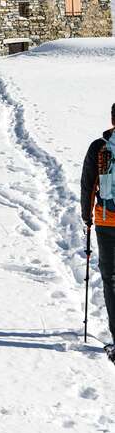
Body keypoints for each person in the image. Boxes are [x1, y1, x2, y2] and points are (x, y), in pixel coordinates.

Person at [81, 103, 115, 358]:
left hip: (107, 222)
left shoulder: (100, 147)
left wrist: (87, 216)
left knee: (111, 280)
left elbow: (88, 184)